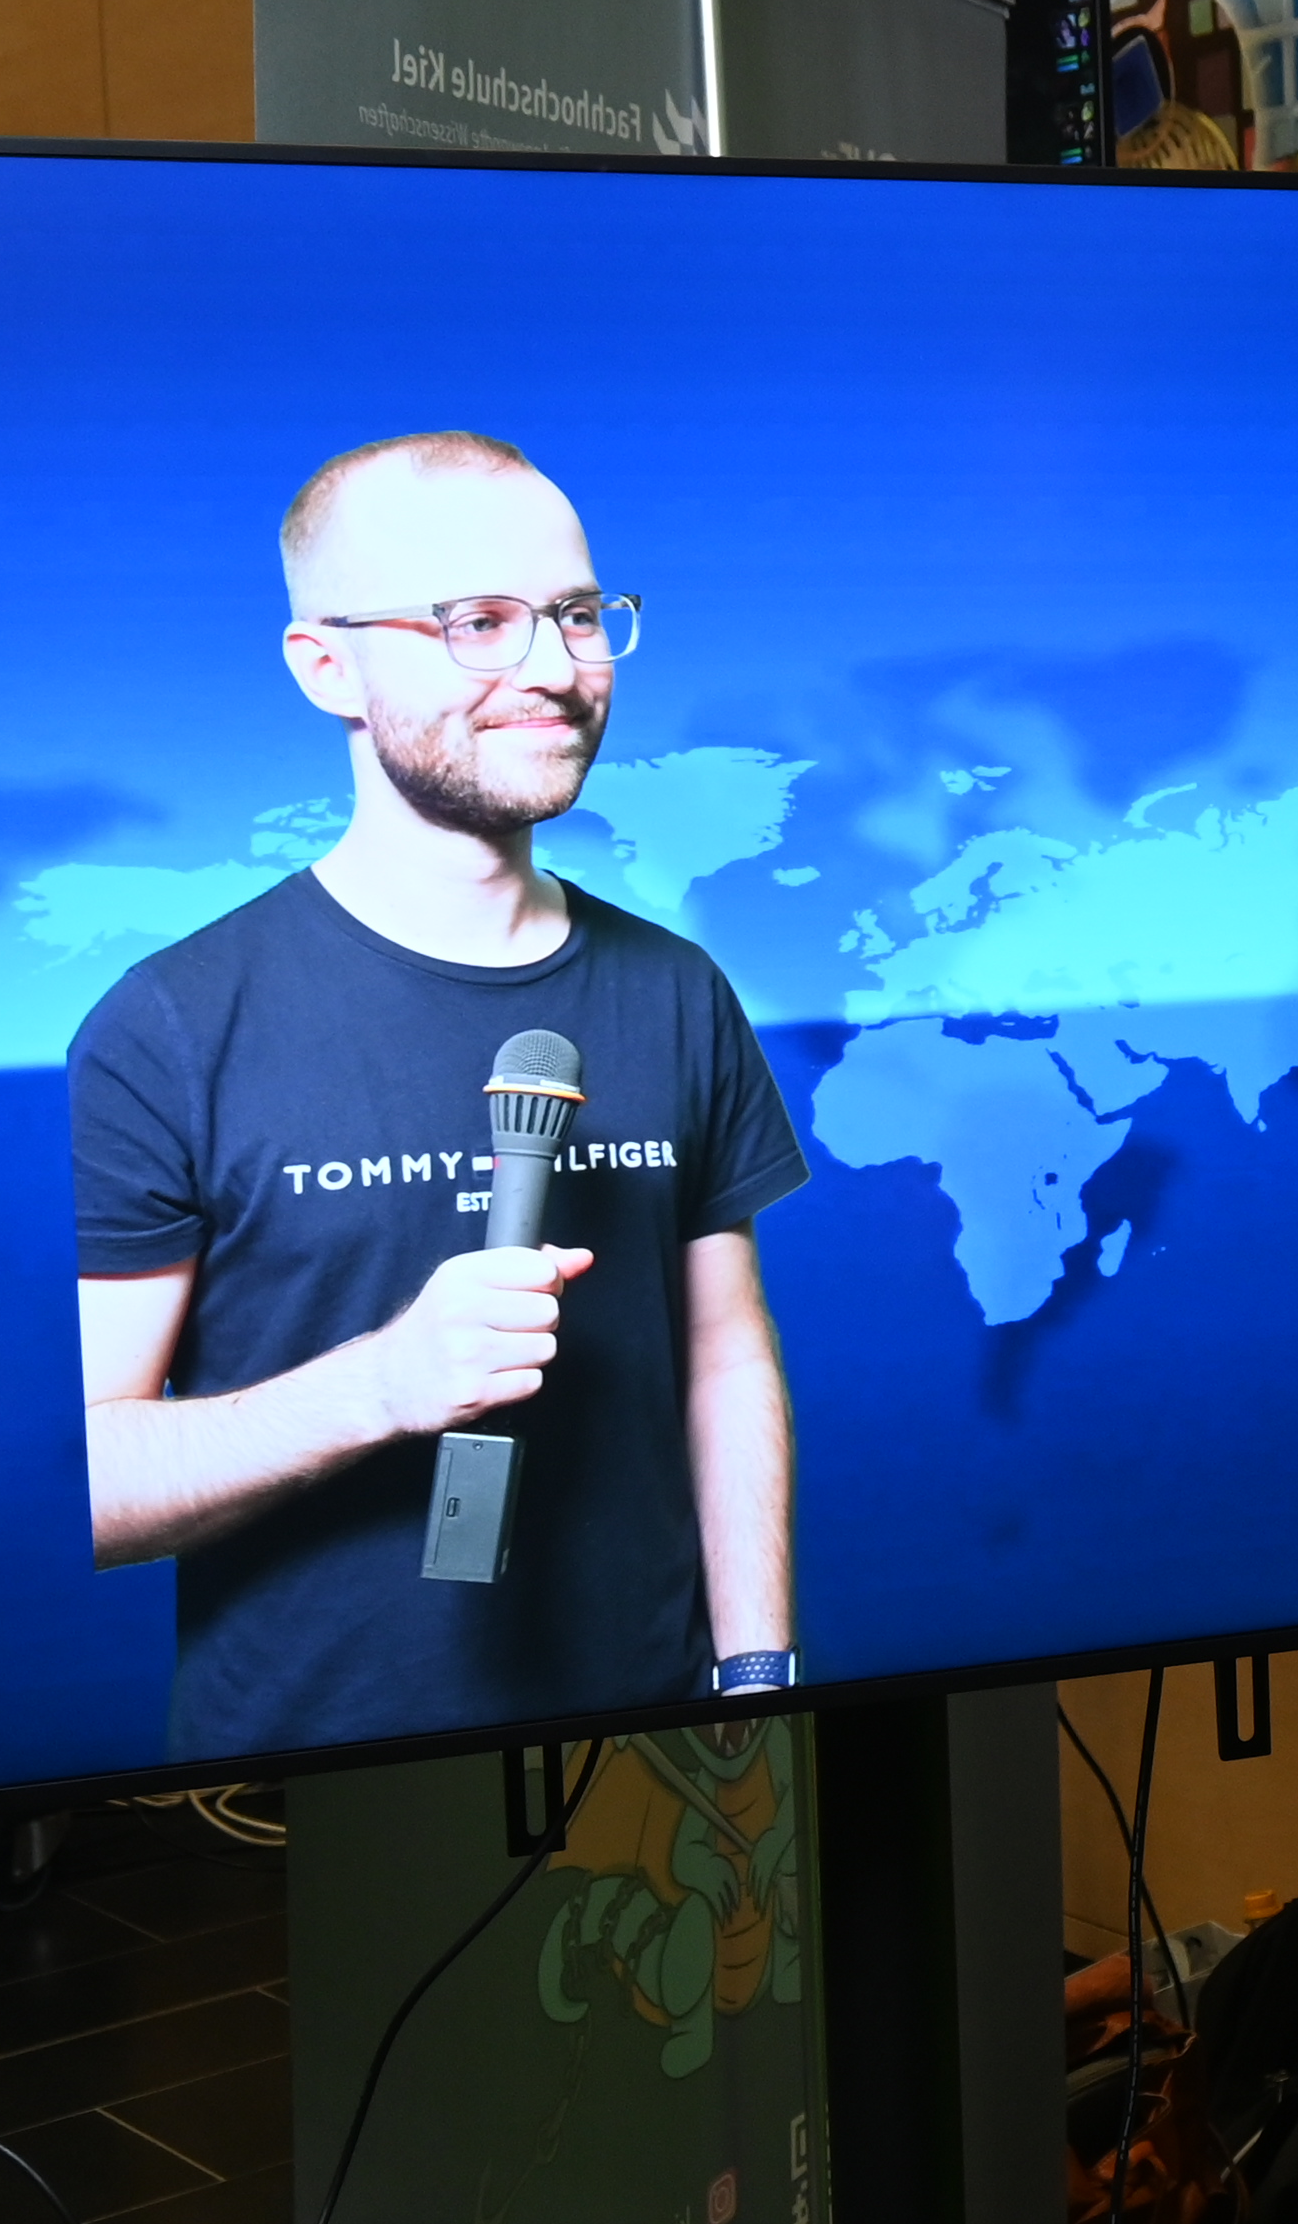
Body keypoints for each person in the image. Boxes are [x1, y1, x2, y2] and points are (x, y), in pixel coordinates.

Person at [74, 431, 808, 1762]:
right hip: (301, 1794)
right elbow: (78, 1485)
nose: (549, 666)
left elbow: (725, 1353)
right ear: (325, 666)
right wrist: (381, 1386)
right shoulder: (173, 1026)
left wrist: (758, 1679)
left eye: (579, 616)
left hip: (648, 1756)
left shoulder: (679, 992)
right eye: (476, 621)